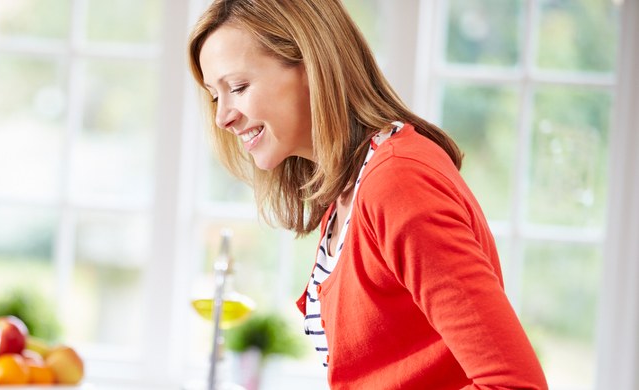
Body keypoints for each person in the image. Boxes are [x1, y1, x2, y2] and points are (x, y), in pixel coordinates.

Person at [187, 0, 548, 389]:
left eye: (238, 87)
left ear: (312, 65)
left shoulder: (399, 183)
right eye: (215, 96)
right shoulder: (349, 188)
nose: (222, 117)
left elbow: (515, 385)